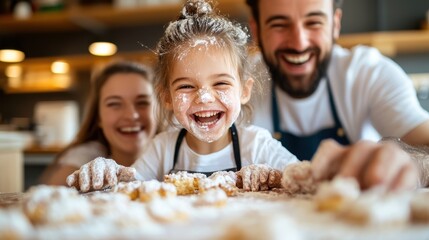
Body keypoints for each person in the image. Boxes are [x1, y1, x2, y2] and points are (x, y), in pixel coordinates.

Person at [66, 0, 299, 192]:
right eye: (187, 86)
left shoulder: (257, 146)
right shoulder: (162, 150)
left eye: (220, 83)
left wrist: (276, 178)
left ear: (244, 91)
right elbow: (127, 189)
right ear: (166, 97)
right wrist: (107, 176)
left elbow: (306, 180)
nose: (205, 98)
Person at [245, 0, 429, 189]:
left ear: (335, 24)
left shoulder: (369, 74)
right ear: (256, 30)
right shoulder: (233, 84)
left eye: (314, 22)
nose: (299, 43)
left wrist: (415, 165)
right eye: (279, 24)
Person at [39, 61, 158, 186]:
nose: (131, 115)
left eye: (143, 102)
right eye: (114, 104)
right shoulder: (85, 157)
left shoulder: (175, 151)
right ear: (98, 117)